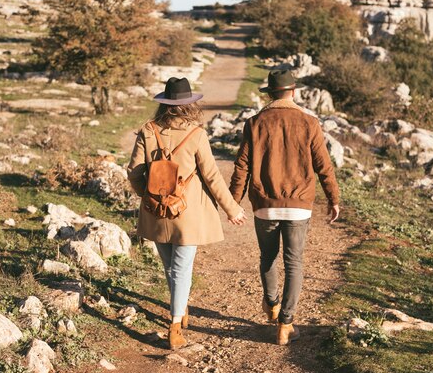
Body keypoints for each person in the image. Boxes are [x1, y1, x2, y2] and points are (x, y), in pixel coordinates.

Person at [128, 77, 246, 350]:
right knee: (181, 268)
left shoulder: (148, 130)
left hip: (155, 211)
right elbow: (212, 176)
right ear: (189, 105)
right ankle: (175, 325)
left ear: (164, 103)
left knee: (171, 268)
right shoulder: (196, 134)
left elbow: (134, 172)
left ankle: (179, 310)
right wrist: (232, 209)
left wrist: (146, 195)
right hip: (187, 213)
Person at [229, 69, 341, 346]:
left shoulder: (254, 123)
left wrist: (233, 200)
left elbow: (242, 165)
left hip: (265, 204)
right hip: (299, 205)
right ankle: (286, 324)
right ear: (293, 92)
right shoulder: (309, 122)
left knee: (267, 257)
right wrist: (333, 198)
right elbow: (323, 166)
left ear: (269, 94)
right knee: (294, 263)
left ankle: (272, 304)